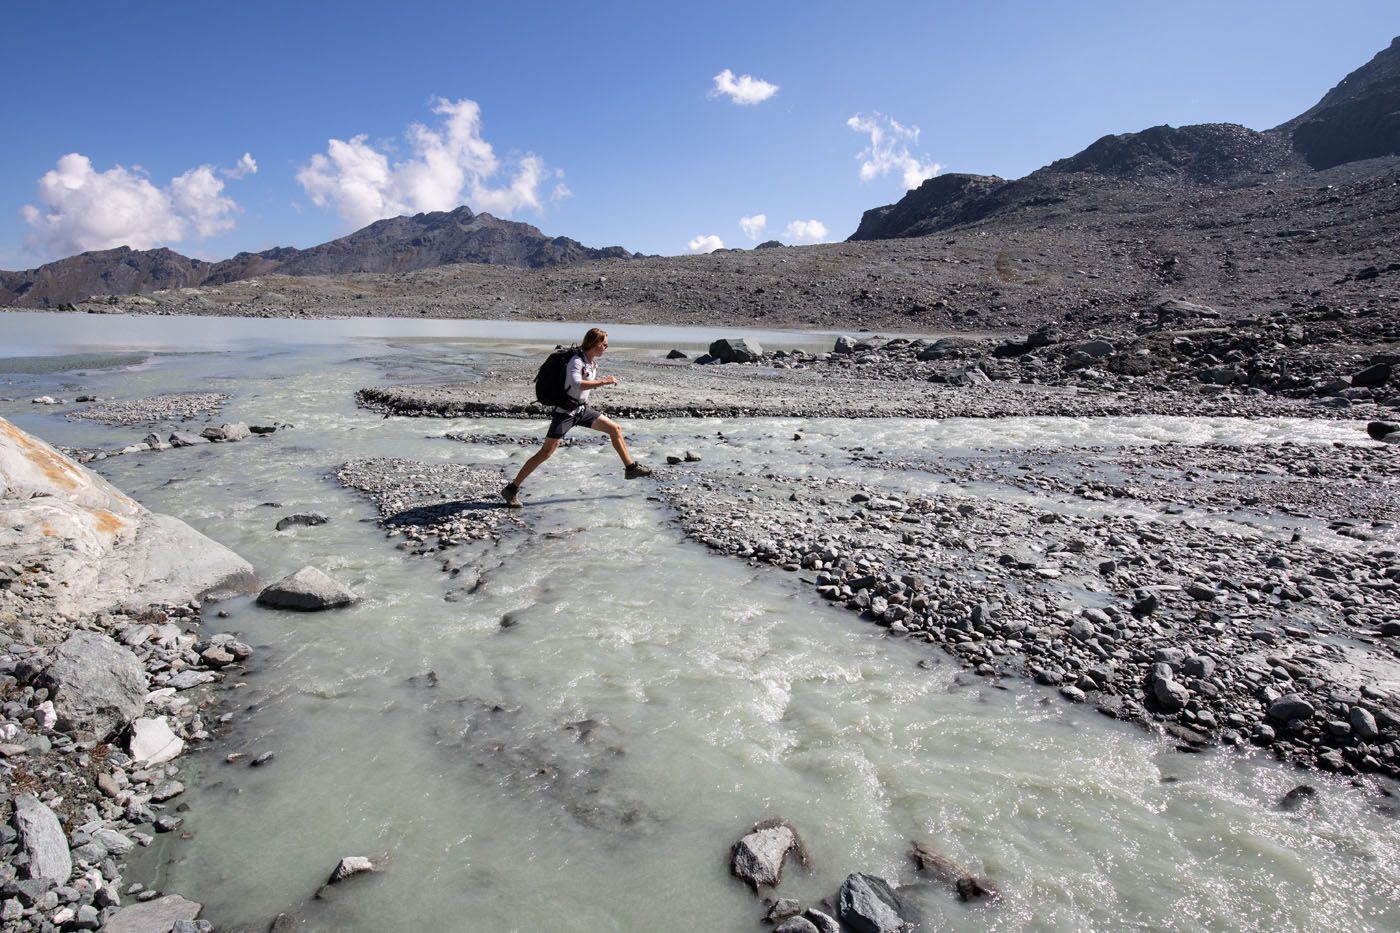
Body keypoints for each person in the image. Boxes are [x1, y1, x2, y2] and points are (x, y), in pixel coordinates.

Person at [501, 327, 651, 508]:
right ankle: (512, 489)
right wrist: (604, 381)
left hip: (581, 411)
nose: (606, 348)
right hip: (565, 413)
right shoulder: (576, 361)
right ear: (595, 344)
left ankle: (631, 468)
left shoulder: (590, 362)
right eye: (604, 345)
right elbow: (576, 384)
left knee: (615, 429)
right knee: (546, 452)